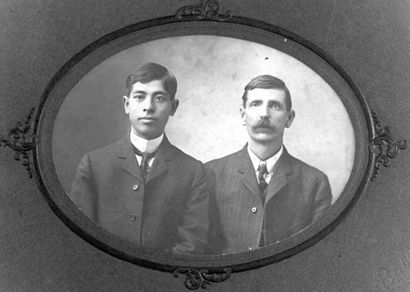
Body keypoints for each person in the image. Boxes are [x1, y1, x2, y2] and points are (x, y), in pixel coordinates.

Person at [69, 63, 210, 254]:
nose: (148, 107)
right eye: (139, 97)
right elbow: (78, 236)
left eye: (159, 98)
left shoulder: (193, 171)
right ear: (127, 105)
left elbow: (192, 244)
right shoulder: (94, 164)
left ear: (173, 107)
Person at [206, 75, 332, 254]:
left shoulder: (315, 182)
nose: (264, 114)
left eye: (275, 105)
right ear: (243, 115)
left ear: (289, 118)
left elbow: (316, 254)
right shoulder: (211, 174)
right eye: (256, 104)